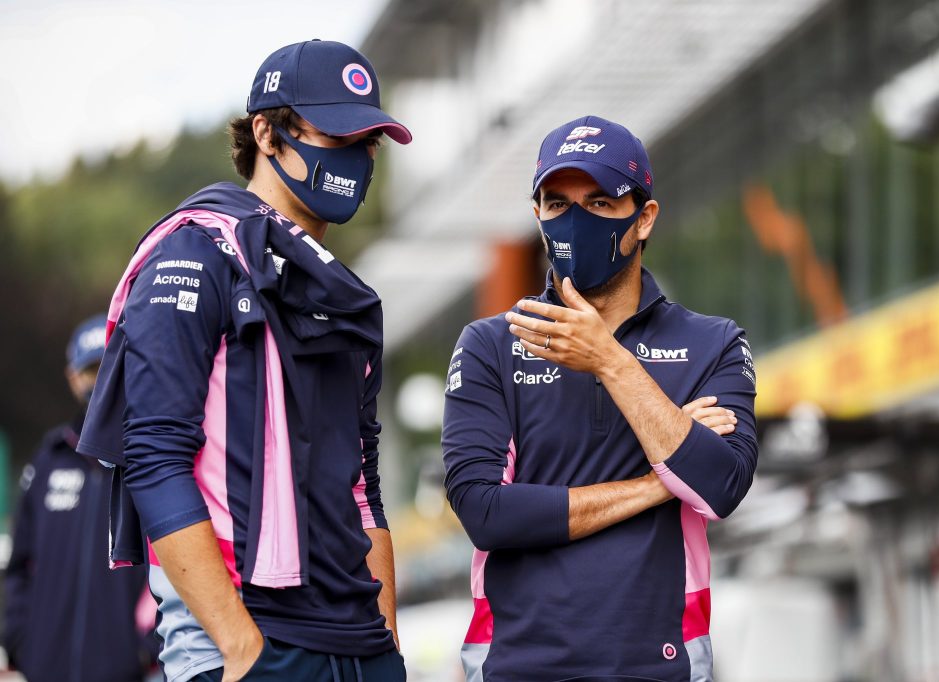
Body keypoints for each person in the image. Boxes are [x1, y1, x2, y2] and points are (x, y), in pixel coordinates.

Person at [77, 40, 411, 682]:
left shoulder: (345, 293)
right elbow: (153, 460)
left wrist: (386, 642)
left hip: (361, 649)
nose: (358, 158)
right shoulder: (193, 253)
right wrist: (240, 650)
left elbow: (363, 490)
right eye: (336, 135)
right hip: (251, 644)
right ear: (267, 132)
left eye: (368, 141)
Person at [442, 115, 758, 681]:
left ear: (644, 219)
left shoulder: (714, 343)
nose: (574, 220)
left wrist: (609, 360)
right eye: (557, 204)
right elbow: (486, 513)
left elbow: (722, 486)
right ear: (537, 214)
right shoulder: (491, 343)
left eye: (599, 202)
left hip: (665, 663)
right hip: (515, 665)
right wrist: (659, 482)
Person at [4, 314, 155, 682]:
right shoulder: (48, 458)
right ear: (72, 378)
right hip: (43, 668)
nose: (99, 382)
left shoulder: (152, 460)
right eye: (90, 371)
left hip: (126, 672)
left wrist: (144, 648)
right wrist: (21, 641)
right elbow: (20, 564)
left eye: (109, 368)